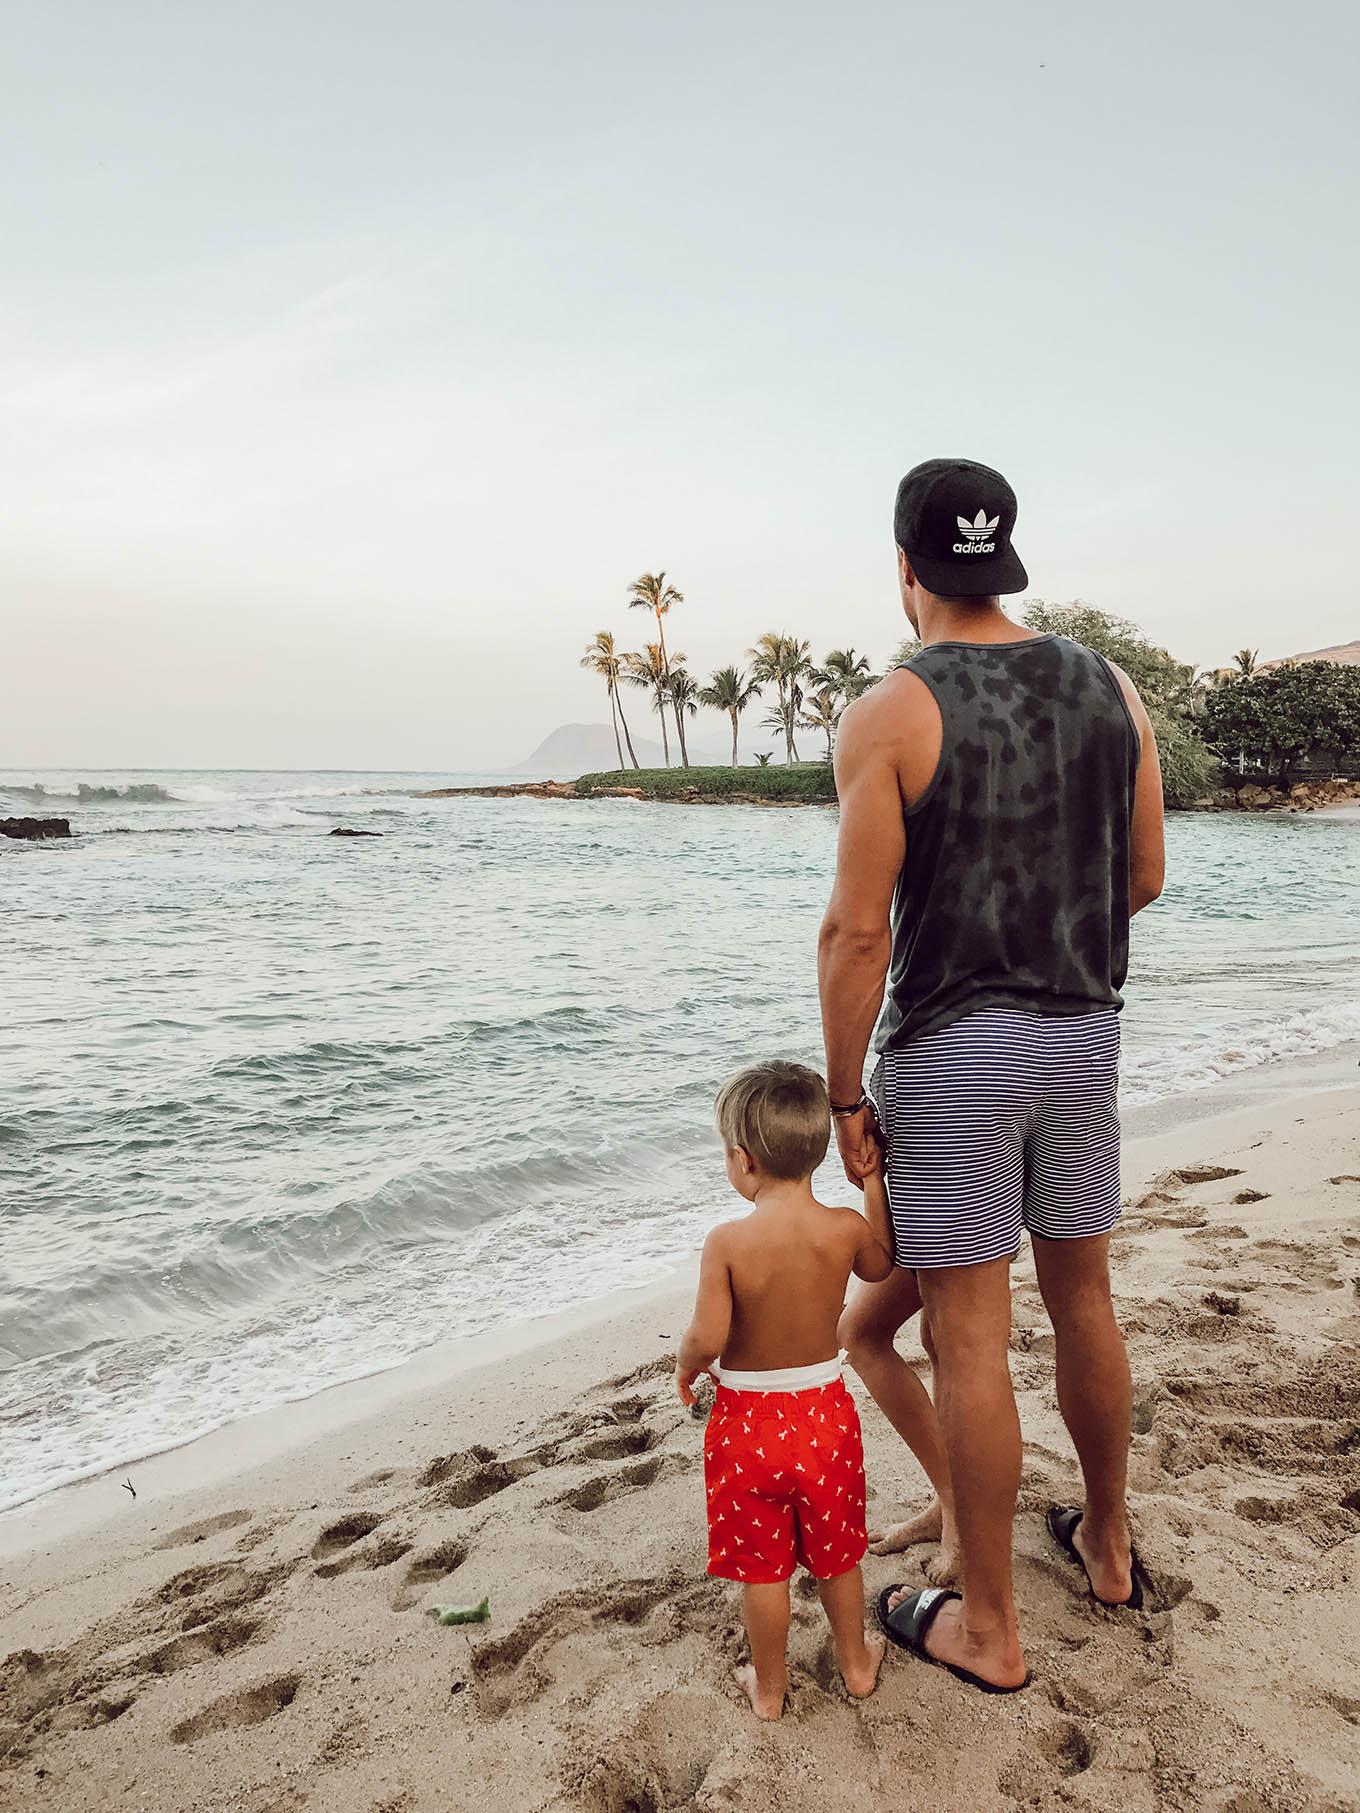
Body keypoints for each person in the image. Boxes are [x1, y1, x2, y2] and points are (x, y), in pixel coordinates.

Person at [818, 457, 1165, 1693]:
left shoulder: (893, 708)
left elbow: (858, 933)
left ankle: (989, 1627)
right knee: (1085, 1301)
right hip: (1083, 1034)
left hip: (957, 1052)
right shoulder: (1111, 687)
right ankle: (1109, 1545)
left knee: (968, 1339)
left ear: (906, 567)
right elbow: (1143, 876)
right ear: (1001, 555)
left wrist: (846, 1097)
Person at [676, 1060, 893, 1719]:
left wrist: (686, 1366)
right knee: (837, 1553)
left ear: (742, 1160)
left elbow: (707, 1336)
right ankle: (856, 1664)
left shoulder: (729, 1242)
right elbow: (882, 1262)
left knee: (763, 1569)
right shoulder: (844, 1229)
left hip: (747, 1427)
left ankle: (769, 1692)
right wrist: (873, 1183)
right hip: (825, 1418)